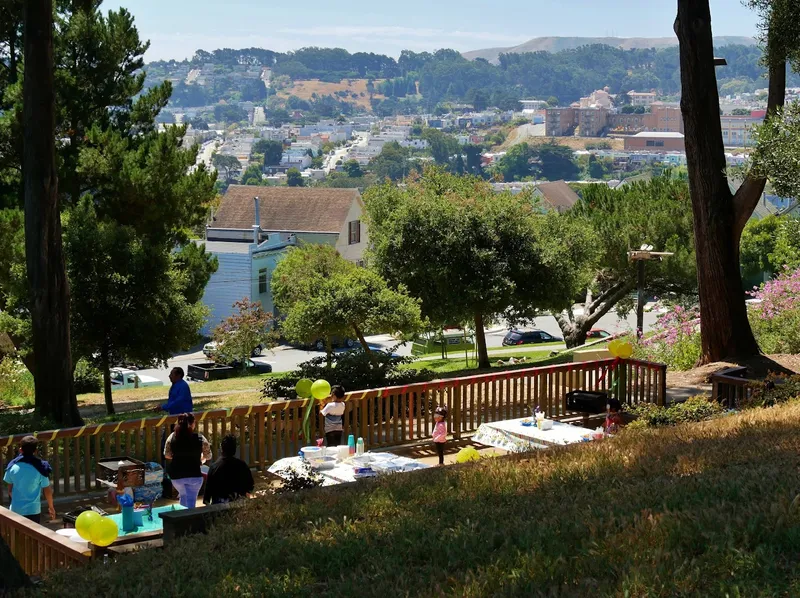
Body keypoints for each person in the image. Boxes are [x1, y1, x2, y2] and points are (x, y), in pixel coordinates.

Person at [164, 413, 212, 508]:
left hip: (176, 476)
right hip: (194, 475)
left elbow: (167, 454)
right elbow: (208, 455)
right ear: (193, 424)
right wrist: (201, 457)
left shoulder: (172, 437)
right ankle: (189, 519)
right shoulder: (200, 438)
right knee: (191, 500)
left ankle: (182, 516)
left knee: (184, 495)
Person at [3, 436, 56, 523]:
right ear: (35, 451)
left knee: (17, 535)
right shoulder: (41, 468)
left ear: (20, 450)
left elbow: (10, 490)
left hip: (16, 510)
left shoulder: (12, 467)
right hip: (33, 511)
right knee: (32, 535)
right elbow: (47, 490)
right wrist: (51, 507)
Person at [203, 435, 255, 505]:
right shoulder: (242, 465)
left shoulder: (214, 467)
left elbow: (207, 497)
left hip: (218, 507)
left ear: (221, 448)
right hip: (239, 505)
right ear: (235, 449)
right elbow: (250, 487)